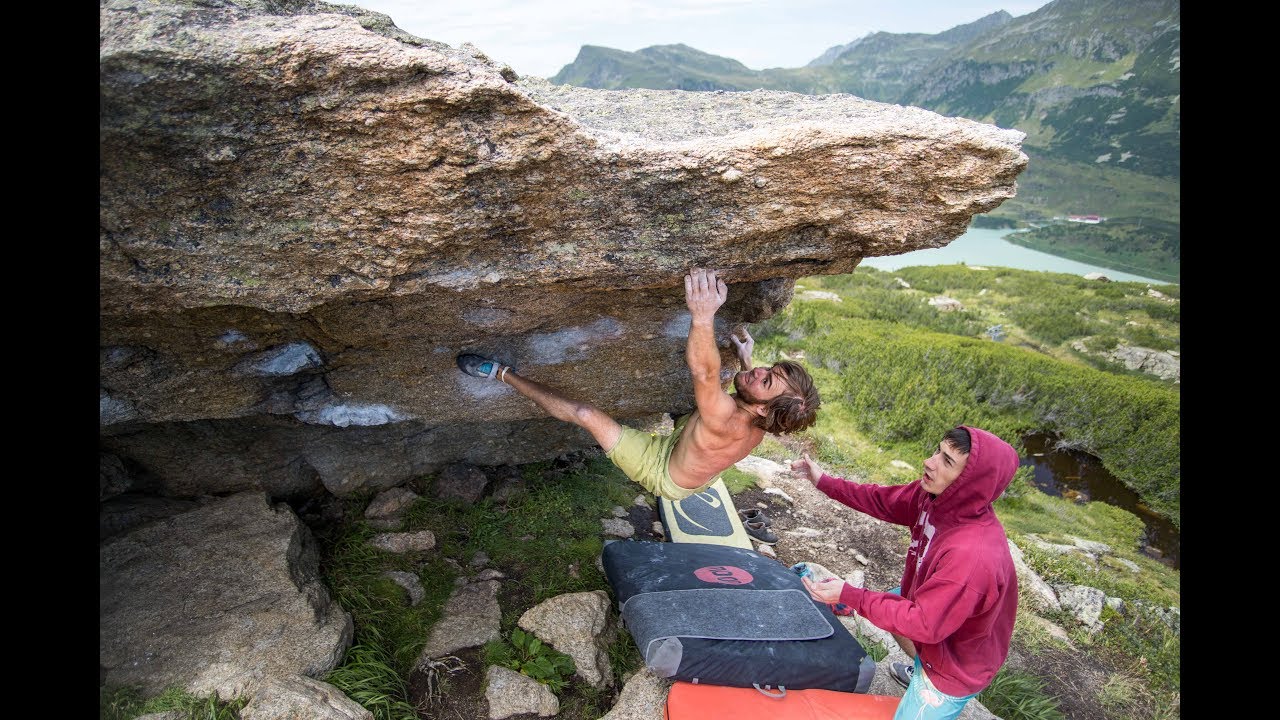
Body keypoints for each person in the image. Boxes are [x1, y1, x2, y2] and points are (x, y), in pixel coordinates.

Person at [456, 267, 821, 500]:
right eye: (767, 368)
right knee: (706, 407)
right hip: (692, 455)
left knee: (585, 413)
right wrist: (746, 361)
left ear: (761, 407)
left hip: (662, 471)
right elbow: (743, 396)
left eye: (766, 379)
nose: (758, 372)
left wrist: (703, 315)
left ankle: (499, 373)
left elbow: (706, 375)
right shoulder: (765, 415)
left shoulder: (727, 418)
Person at [791, 426, 1020, 720]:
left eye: (947, 461)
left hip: (956, 664)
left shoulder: (972, 556)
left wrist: (849, 594)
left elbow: (924, 623)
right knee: (890, 605)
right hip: (936, 617)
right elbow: (881, 500)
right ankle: (921, 661)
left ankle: (928, 676)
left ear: (970, 483)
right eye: (938, 450)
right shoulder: (935, 498)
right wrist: (823, 480)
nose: (930, 461)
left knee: (898, 617)